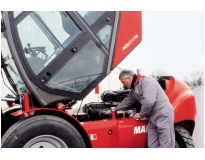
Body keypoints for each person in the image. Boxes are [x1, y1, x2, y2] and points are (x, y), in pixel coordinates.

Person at [116, 69, 175, 148]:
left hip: (163, 115)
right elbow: (127, 102)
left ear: (129, 78)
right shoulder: (134, 89)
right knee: (152, 145)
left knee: (166, 144)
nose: (123, 85)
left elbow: (149, 101)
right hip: (151, 117)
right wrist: (114, 110)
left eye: (123, 82)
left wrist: (141, 114)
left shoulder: (147, 82)